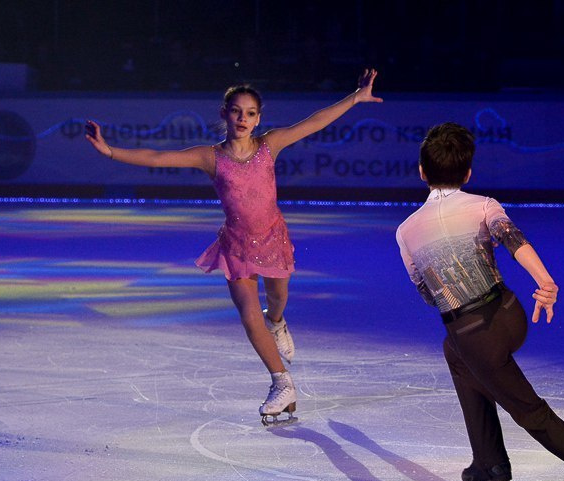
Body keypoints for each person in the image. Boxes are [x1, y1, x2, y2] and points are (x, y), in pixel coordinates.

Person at [86, 69, 382, 425]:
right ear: (224, 113)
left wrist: (354, 97)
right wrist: (109, 152)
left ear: (259, 119)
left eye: (251, 112)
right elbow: (157, 157)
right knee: (246, 311)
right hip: (236, 245)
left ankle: (278, 322)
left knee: (276, 299)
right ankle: (281, 382)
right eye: (237, 111)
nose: (243, 118)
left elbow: (313, 122)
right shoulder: (210, 157)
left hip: (272, 238)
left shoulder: (269, 145)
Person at [395, 122, 564, 481]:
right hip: (511, 314)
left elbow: (429, 295)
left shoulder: (406, 231)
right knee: (456, 353)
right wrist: (545, 280)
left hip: (476, 333)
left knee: (532, 413)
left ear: (421, 172)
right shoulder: (483, 205)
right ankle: (488, 463)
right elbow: (512, 237)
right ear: (467, 173)